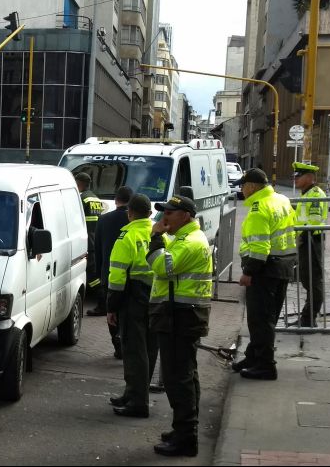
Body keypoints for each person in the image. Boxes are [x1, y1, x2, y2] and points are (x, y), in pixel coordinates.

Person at [147, 195, 213, 457]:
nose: (164, 218)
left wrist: (155, 237)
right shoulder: (184, 239)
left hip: (181, 316)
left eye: (170, 213)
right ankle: (184, 430)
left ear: (185, 215)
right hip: (179, 315)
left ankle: (186, 437)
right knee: (185, 374)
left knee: (178, 378)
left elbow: (161, 267)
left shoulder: (190, 243)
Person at [232, 168, 297, 380]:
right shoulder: (282, 200)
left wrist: (249, 272)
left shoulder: (259, 209)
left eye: (243, 185)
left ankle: (265, 366)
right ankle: (254, 357)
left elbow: (260, 247)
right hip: (283, 266)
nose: (242, 189)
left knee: (260, 320)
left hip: (265, 269)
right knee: (268, 318)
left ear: (252, 186)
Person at [106, 194, 157, 418]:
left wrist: (111, 307)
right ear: (150, 213)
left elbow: (117, 276)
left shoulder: (127, 236)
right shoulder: (158, 233)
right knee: (149, 347)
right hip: (156, 296)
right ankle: (134, 393)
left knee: (134, 350)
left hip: (133, 297)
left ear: (130, 213)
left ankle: (138, 402)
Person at [90, 186, 134, 360]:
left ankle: (118, 346)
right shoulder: (135, 221)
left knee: (112, 311)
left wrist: (100, 272)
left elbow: (98, 248)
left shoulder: (104, 219)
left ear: (116, 200)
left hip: (109, 273)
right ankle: (129, 343)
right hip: (132, 276)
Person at [292, 162, 327, 327]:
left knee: (313, 281)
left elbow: (314, 221)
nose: (295, 179)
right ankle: (307, 317)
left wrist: (303, 237)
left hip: (312, 240)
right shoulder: (306, 194)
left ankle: (308, 319)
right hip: (305, 241)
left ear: (310, 177)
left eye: (299, 176)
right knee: (307, 279)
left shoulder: (315, 194)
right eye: (295, 176)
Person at [75, 172, 104, 291]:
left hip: (86, 240)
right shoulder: (96, 198)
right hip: (95, 239)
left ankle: (101, 294)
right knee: (93, 268)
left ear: (80, 183)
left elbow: (76, 220)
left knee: (91, 272)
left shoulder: (82, 198)